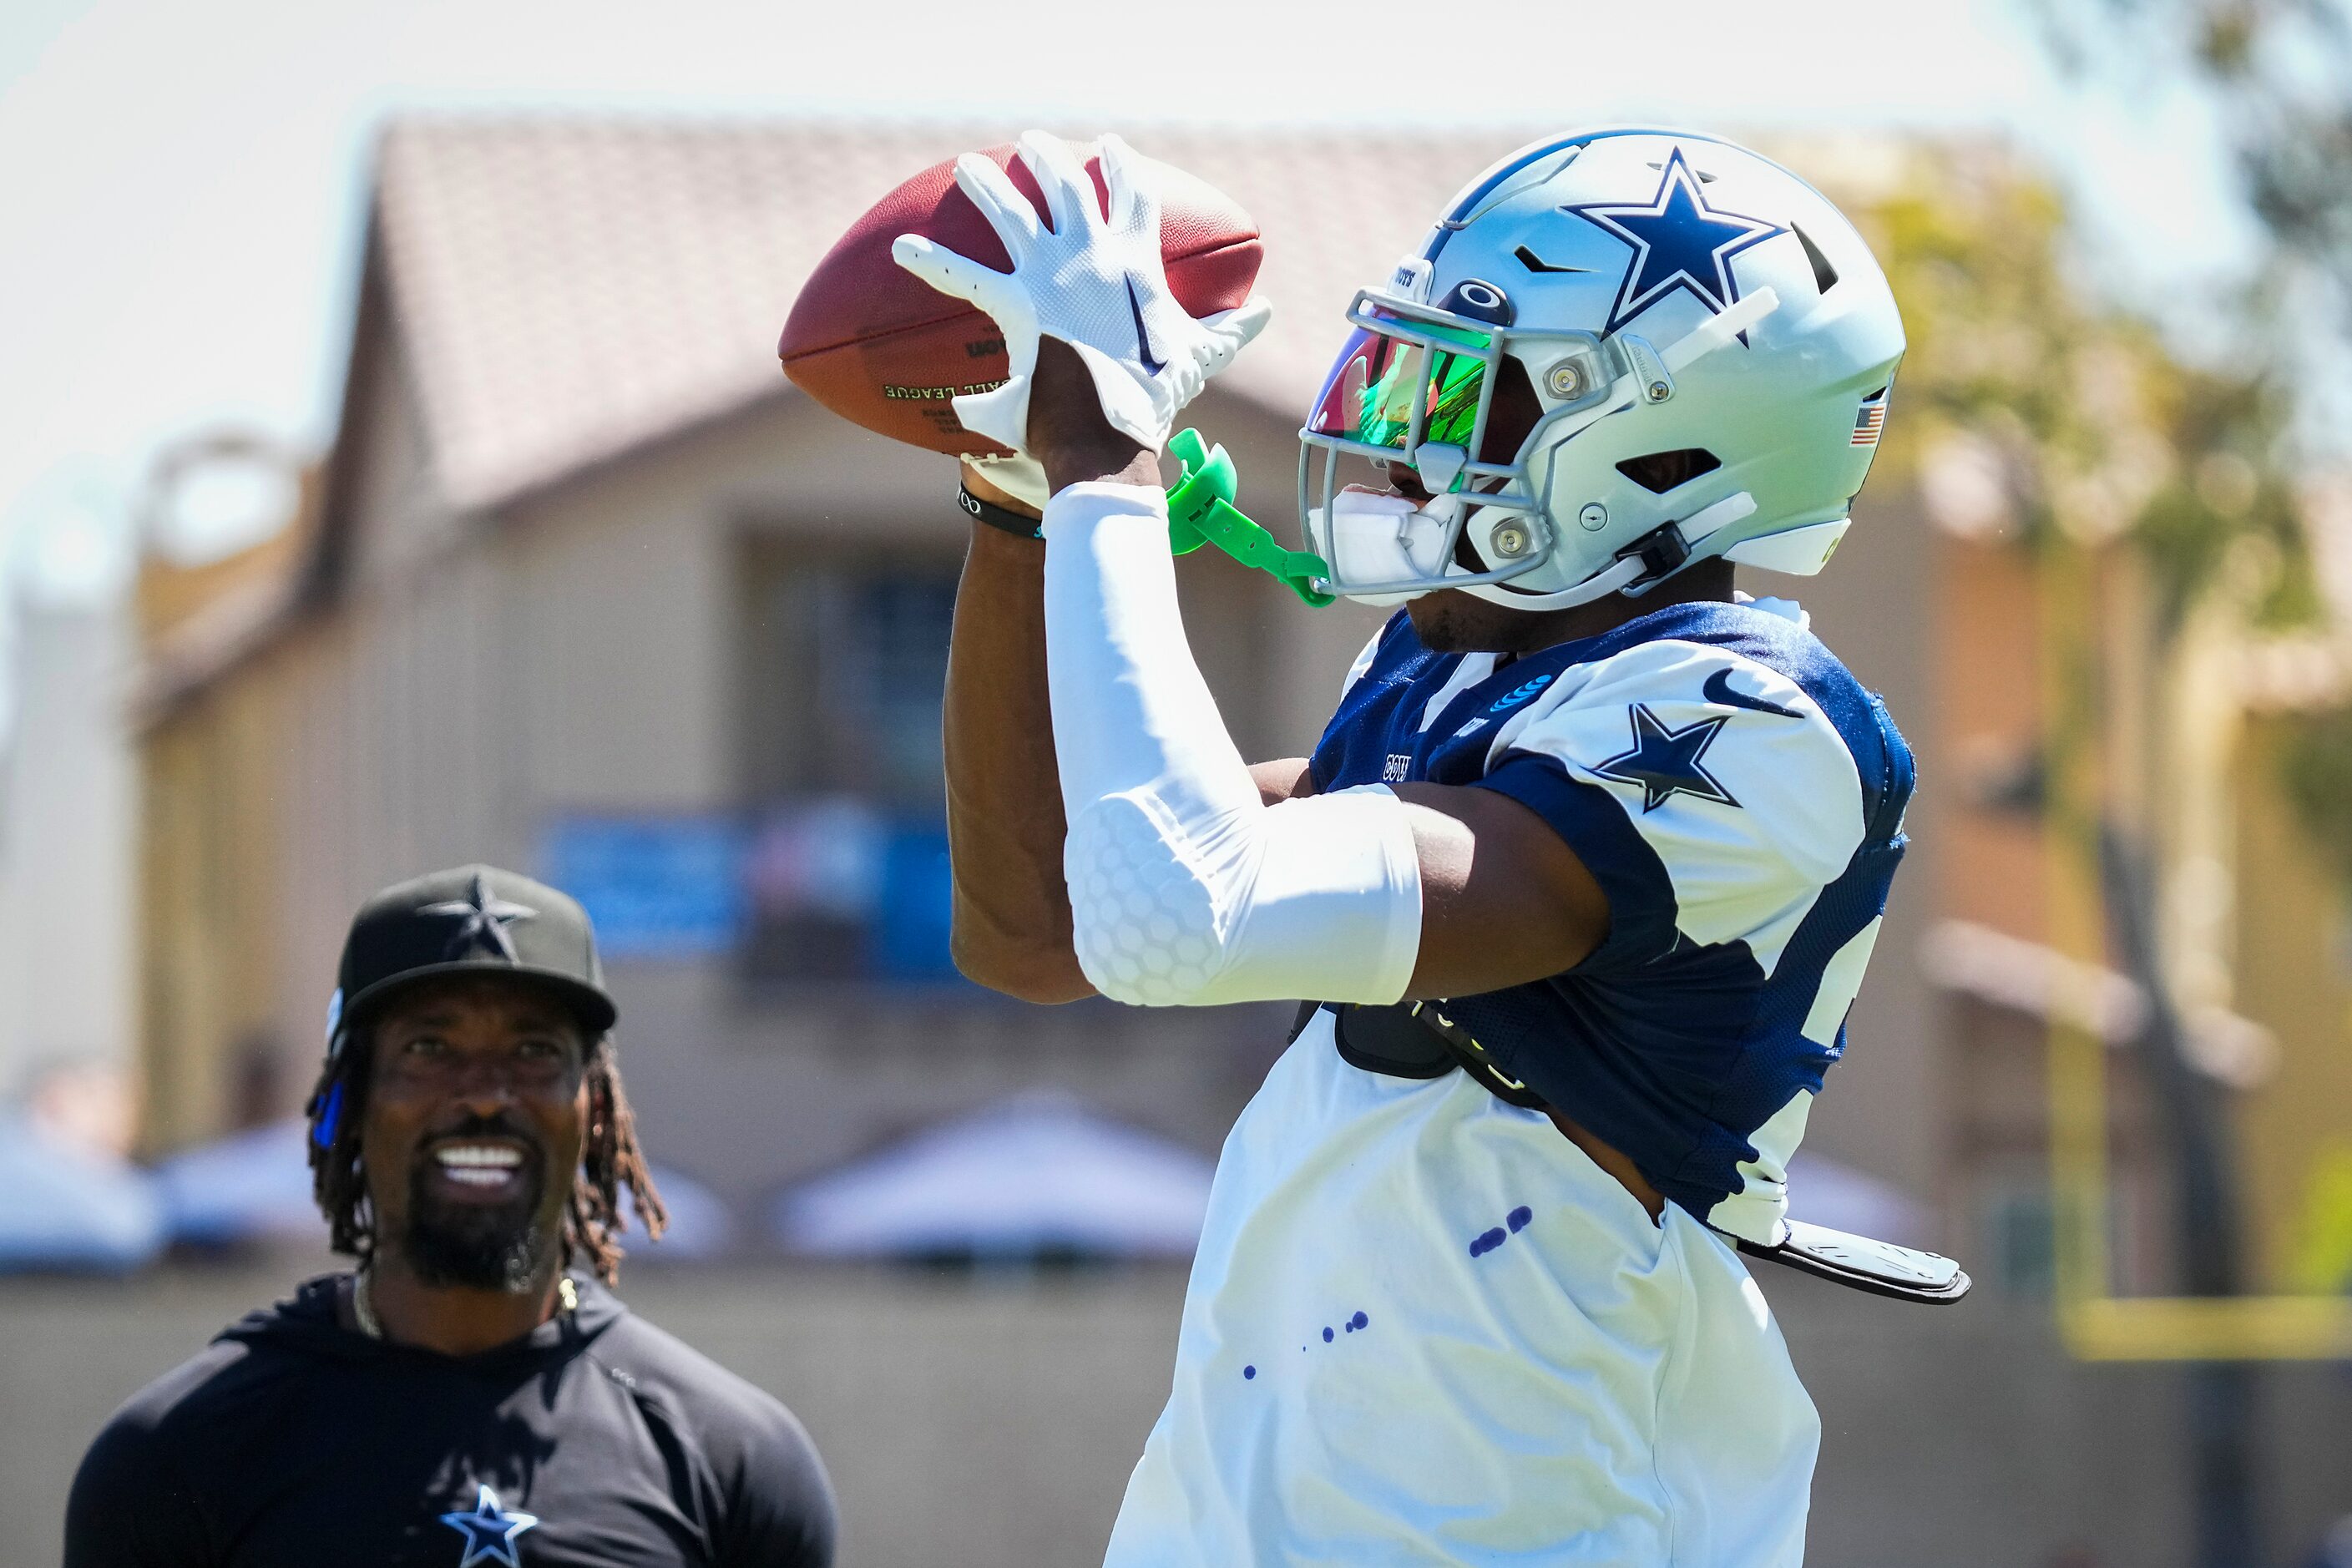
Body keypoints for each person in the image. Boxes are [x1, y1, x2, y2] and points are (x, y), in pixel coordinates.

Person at [903, 129, 1937, 1563]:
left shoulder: (1756, 719)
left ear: (1654, 435)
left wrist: (1105, 461)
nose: (1403, 426)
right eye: (1405, 371)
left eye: (1471, 389)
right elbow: (1037, 930)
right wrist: (1021, 502)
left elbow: (1179, 911)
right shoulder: (1446, 666)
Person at [67, 864, 836, 1567]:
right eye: (429, 1048)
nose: (484, 1094)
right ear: (351, 1102)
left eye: (534, 1050)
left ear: (594, 1110)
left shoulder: (733, 1459)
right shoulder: (178, 1458)